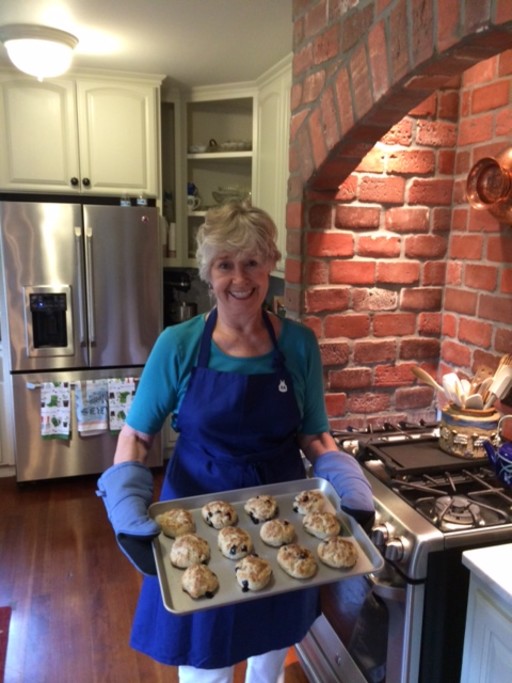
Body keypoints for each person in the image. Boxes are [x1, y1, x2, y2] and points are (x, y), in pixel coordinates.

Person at [97, 202, 375, 683]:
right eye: (226, 264)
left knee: (269, 658)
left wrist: (349, 485)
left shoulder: (299, 345)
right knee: (208, 662)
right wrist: (125, 503)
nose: (240, 278)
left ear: (270, 266)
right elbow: (138, 435)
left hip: (283, 516)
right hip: (196, 518)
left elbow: (314, 433)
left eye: (251, 262)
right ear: (209, 273)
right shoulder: (178, 344)